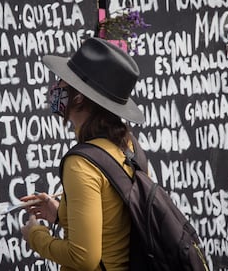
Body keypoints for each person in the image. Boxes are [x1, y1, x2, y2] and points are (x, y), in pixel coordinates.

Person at [20, 37, 145, 271]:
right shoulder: (129, 145)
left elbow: (83, 258)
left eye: (61, 82)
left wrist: (35, 235)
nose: (54, 88)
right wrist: (61, 214)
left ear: (78, 98)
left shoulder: (81, 164)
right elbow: (115, 221)